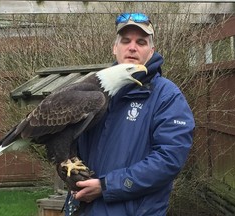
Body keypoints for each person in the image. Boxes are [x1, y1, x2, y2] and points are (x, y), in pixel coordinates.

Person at [65, 12, 195, 216]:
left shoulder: (167, 96)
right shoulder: (93, 92)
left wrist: (106, 186)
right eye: (125, 41)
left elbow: (168, 159)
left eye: (141, 42)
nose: (132, 47)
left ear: (151, 51)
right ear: (115, 48)